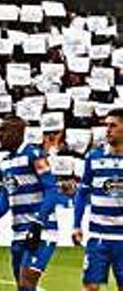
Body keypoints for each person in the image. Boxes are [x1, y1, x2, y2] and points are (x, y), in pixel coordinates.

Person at [0, 116, 59, 291]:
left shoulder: (34, 155)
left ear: (17, 133)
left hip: (41, 231)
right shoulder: (6, 163)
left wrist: (38, 222)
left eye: (3, 131)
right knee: (22, 287)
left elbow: (51, 190)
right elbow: (6, 199)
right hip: (18, 233)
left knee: (27, 283)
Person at [72, 108, 123, 291]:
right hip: (98, 237)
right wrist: (76, 225)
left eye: (113, 125)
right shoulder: (94, 157)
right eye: (106, 125)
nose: (107, 130)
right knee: (90, 287)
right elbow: (82, 192)